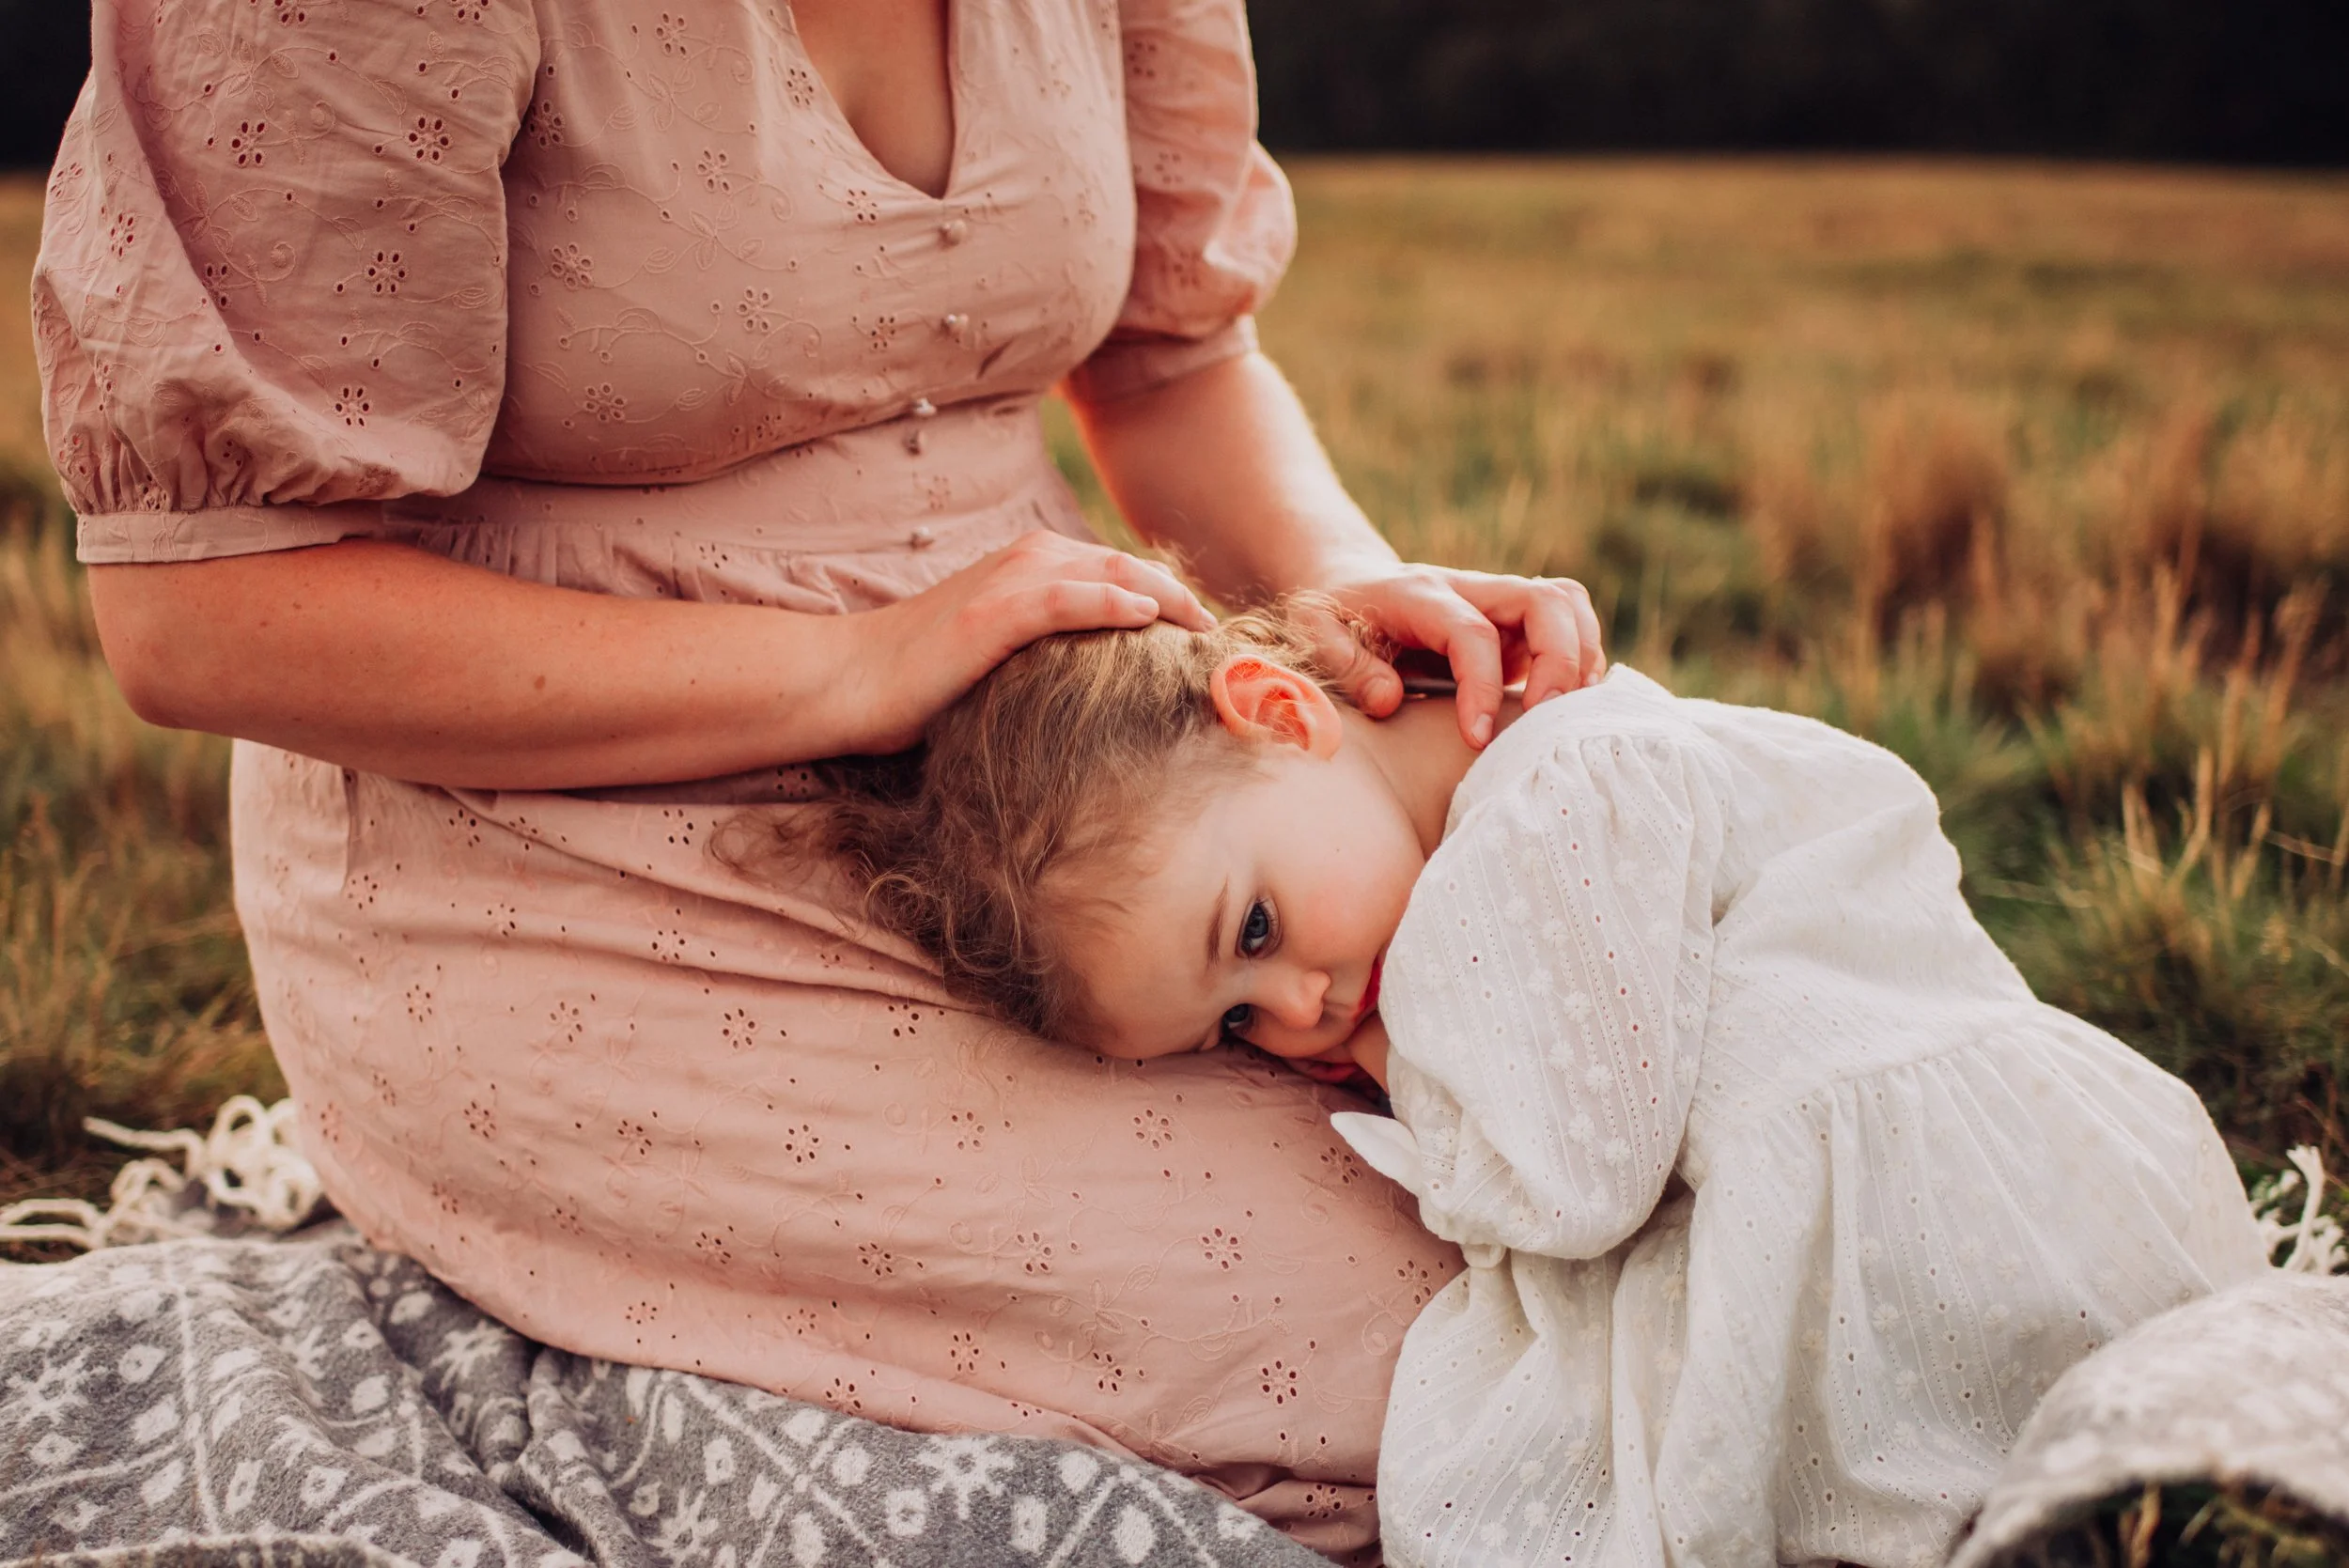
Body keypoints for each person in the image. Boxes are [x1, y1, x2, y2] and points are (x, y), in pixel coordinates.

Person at [34, 0, 1604, 1552]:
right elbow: (199, 615)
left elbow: (1171, 364)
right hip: (541, 828)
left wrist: (1352, 601)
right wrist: (854, 673)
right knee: (1421, 1334)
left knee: (1607, 1147)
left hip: (1095, 806)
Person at [792, 613, 2267, 1567]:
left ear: (1279, 709)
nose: (1299, 1007)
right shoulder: (1509, 819)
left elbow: (1569, 1178)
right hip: (1931, 1176)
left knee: (1534, 1474)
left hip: (1934, 1208)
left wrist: (1387, 1065)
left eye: (1251, 932)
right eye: (1233, 1029)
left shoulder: (1557, 802)